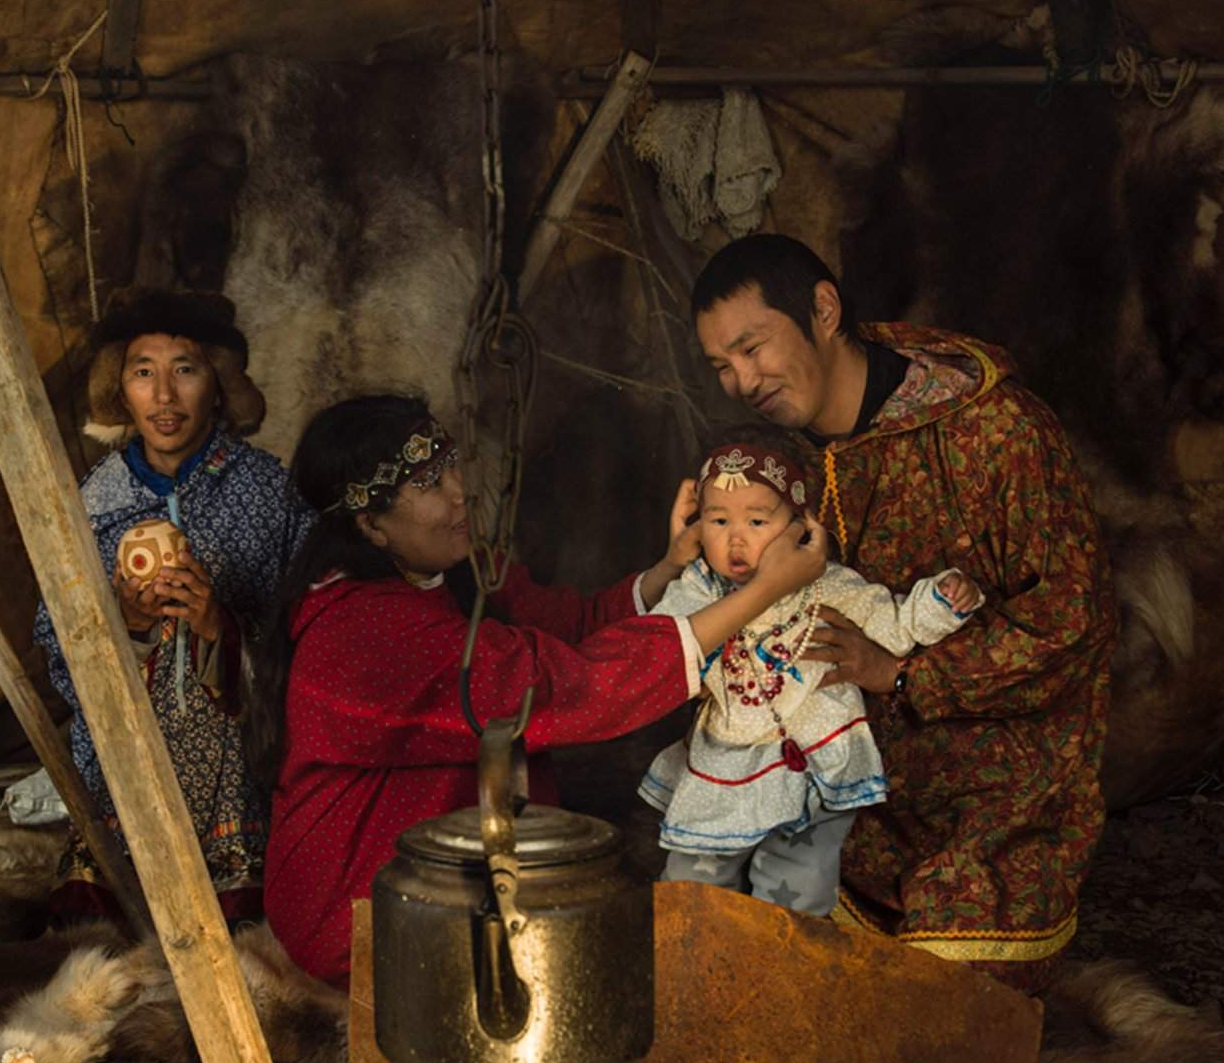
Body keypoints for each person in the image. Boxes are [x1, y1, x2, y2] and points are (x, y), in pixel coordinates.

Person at [252, 394, 829, 987]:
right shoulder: (361, 632)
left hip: (442, 872)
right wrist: (760, 594)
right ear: (370, 524)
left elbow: (566, 629)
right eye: (428, 483)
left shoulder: (443, 570)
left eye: (451, 463)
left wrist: (668, 570)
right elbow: (567, 685)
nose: (459, 492)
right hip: (360, 908)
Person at [690, 233, 1116, 991]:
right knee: (743, 972)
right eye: (723, 366)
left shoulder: (994, 432)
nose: (742, 381)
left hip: (994, 801)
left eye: (753, 348)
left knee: (926, 1016)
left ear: (823, 309)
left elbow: (1071, 624)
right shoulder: (769, 460)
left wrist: (899, 673)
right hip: (843, 796)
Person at [34, 290, 314, 921]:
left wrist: (221, 629)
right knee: (97, 951)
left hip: (236, 785)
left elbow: (311, 631)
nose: (164, 397)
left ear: (217, 382)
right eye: (143, 373)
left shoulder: (268, 493)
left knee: (253, 952)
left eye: (184, 369)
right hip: (128, 779)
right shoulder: (91, 503)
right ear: (120, 389)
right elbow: (55, 644)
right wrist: (127, 628)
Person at [641, 426, 982, 915]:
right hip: (724, 762)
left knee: (797, 887)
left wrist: (941, 600)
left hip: (816, 764)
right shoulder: (698, 591)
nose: (735, 538)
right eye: (718, 521)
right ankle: (695, 971)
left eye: (757, 521)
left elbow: (893, 623)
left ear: (801, 526)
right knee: (694, 884)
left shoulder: (828, 586)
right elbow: (661, 644)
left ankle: (786, 972)